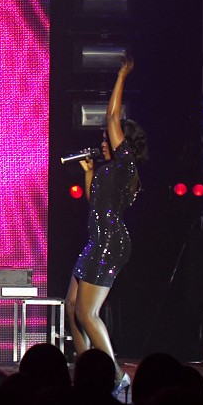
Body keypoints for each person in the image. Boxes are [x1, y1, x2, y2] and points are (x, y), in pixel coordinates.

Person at [68, 55, 144, 381]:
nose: (102, 142)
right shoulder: (107, 172)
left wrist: (122, 74)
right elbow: (94, 204)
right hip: (97, 240)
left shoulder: (125, 164)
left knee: (88, 313)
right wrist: (88, 173)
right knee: (72, 306)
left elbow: (112, 115)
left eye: (107, 138)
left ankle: (115, 377)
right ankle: (88, 371)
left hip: (110, 242)